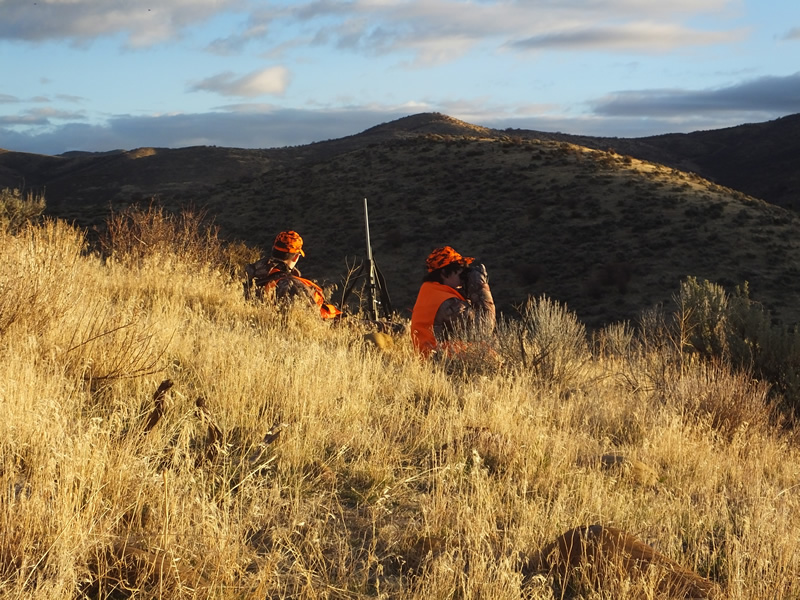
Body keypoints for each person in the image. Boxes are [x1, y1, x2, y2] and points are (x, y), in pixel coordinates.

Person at [410, 246, 495, 357]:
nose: (462, 278)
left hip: (431, 356)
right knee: (488, 354)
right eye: (459, 272)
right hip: (442, 360)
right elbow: (484, 329)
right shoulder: (447, 302)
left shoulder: (431, 292)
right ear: (444, 273)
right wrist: (480, 288)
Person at [244, 230, 341, 320]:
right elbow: (312, 318)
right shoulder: (292, 285)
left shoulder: (252, 271)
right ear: (296, 258)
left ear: (274, 249)